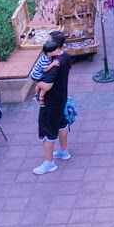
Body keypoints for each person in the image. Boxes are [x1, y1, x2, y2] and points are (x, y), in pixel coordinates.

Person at [33, 30, 73, 174]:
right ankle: (63, 151)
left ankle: (49, 163)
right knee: (62, 124)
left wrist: (36, 81)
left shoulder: (54, 65)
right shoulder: (66, 57)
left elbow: (47, 85)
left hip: (50, 103)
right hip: (62, 98)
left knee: (47, 132)